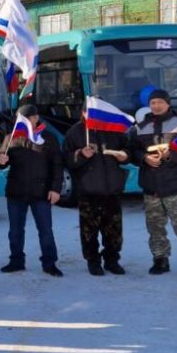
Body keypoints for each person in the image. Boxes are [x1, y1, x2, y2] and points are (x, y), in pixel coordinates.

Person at [129, 89, 177, 281]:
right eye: (153, 102)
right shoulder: (141, 126)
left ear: (168, 103)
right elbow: (132, 150)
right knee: (155, 228)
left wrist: (171, 155)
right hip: (152, 187)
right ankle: (160, 260)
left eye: (159, 102)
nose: (156, 106)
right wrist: (144, 158)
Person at [0, 104, 64, 277]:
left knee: (45, 230)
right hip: (16, 192)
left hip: (41, 192)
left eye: (28, 118)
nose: (25, 122)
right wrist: (1, 159)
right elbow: (0, 159)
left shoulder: (48, 138)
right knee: (15, 230)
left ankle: (49, 263)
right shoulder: (11, 137)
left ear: (36, 118)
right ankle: (16, 260)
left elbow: (57, 165)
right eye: (21, 119)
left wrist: (55, 189)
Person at [63, 106, 130, 276]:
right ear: (83, 112)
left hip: (112, 189)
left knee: (114, 230)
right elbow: (67, 160)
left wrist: (125, 155)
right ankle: (93, 261)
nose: (93, 115)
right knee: (89, 231)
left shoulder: (114, 130)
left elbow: (129, 150)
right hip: (88, 190)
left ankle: (112, 260)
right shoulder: (75, 132)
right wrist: (80, 155)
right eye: (89, 111)